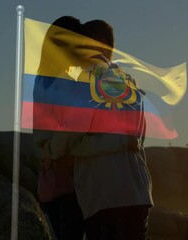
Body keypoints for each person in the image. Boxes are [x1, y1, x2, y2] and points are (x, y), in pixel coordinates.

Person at [68, 20, 154, 240]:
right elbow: (135, 136)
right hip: (134, 193)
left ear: (100, 44)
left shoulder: (85, 85)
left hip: (105, 196)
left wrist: (53, 149)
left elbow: (74, 142)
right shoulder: (129, 84)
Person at [33, 16, 85, 240]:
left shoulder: (41, 80)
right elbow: (73, 125)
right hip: (67, 177)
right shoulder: (64, 82)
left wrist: (48, 152)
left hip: (49, 179)